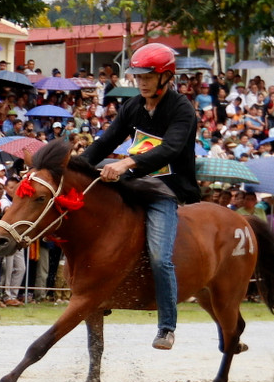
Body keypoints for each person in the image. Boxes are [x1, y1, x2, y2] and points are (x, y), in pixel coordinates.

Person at [80, 43, 199, 350]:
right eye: (138, 76)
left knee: (160, 256)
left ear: (166, 77)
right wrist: (69, 165)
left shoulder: (182, 109)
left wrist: (125, 163)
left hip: (166, 190)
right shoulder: (132, 106)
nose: (141, 81)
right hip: (133, 183)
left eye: (148, 76)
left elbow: (169, 149)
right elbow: (103, 144)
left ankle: (167, 326)